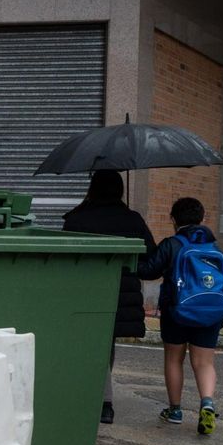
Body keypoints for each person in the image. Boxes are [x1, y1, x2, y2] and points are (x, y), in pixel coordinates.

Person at [62, 170, 155, 424]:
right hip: (121, 295)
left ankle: (100, 399)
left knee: (91, 343)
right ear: (119, 190)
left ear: (92, 188)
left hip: (85, 292)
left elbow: (65, 260)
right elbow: (151, 257)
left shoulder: (77, 218)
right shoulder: (132, 219)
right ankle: (103, 401)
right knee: (107, 343)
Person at [136, 196, 223, 436]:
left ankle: (175, 410)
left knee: (174, 359)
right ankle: (207, 403)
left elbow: (149, 271)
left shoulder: (172, 244)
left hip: (177, 310)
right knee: (204, 362)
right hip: (210, 311)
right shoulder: (214, 247)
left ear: (172, 219)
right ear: (203, 218)